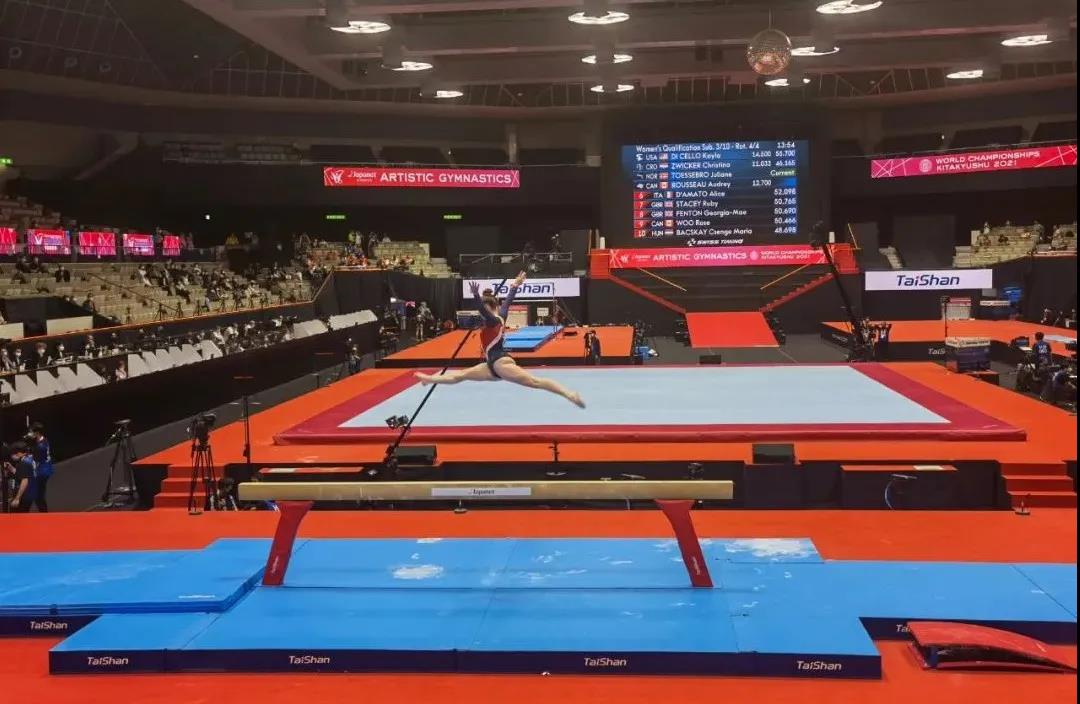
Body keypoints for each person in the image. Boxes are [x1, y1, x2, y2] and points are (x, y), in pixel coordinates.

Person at [415, 272, 585, 408]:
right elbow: (508, 300)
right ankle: (428, 380)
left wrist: (476, 296)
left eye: (485, 310)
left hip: (500, 363)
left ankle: (570, 394)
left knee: (535, 382)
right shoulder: (500, 315)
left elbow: (484, 310)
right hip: (491, 365)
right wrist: (516, 284)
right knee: (460, 375)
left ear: (491, 308)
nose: (482, 314)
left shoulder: (492, 320)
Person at [28, 422, 52, 513]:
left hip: (42, 472)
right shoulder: (44, 440)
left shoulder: (40, 447)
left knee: (39, 496)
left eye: (31, 432)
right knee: (39, 494)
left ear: (37, 433)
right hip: (46, 468)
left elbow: (35, 462)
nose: (30, 434)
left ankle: (44, 514)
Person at [6, 441, 36, 512]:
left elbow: (25, 480)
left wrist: (17, 498)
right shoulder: (29, 459)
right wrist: (11, 468)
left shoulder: (24, 463)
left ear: (19, 453)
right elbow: (22, 474)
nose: (12, 456)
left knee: (16, 515)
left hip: (24, 495)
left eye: (13, 453)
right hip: (29, 493)